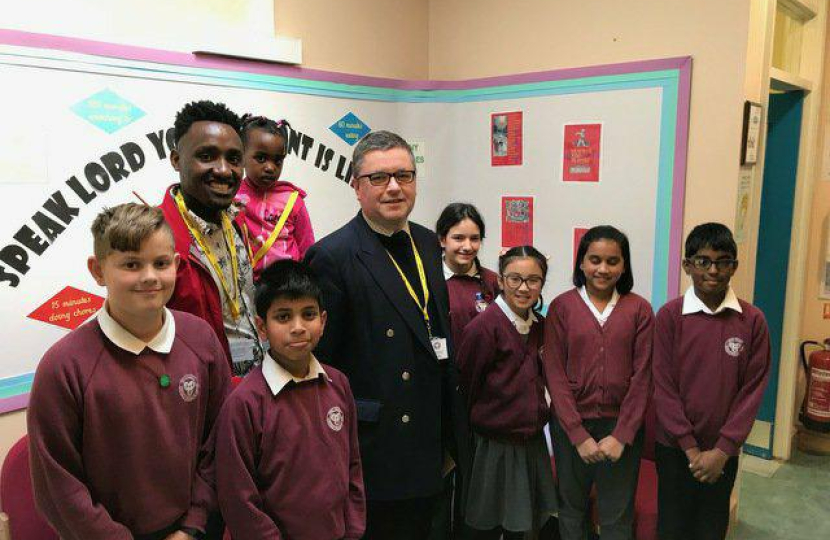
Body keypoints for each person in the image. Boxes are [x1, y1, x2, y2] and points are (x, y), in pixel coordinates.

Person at [28, 203, 231, 540]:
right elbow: (59, 485)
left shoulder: (201, 339)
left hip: (194, 530)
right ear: (98, 270)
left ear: (176, 265)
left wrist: (193, 525)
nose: (150, 276)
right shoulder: (64, 367)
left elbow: (221, 441)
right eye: (132, 264)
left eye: (161, 263)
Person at [305, 130, 460, 540]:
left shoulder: (428, 242)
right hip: (375, 443)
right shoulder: (332, 256)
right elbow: (323, 365)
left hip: (430, 434)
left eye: (404, 176)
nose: (394, 187)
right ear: (356, 187)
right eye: (379, 178)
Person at [215, 260, 365, 540]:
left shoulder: (338, 385)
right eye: (283, 317)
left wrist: (353, 530)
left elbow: (352, 467)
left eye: (308, 314)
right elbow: (238, 496)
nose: (298, 327)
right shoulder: (245, 403)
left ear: (323, 320)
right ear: (262, 326)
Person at [653, 223, 771, 540]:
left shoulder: (753, 320)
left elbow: (752, 391)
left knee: (710, 528)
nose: (714, 270)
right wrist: (691, 449)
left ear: (735, 266)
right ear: (687, 265)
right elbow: (662, 386)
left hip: (723, 453)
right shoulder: (669, 317)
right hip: (675, 449)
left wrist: (722, 450)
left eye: (723, 261)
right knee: (672, 528)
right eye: (703, 261)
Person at [545, 225, 653, 540]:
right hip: (570, 430)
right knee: (571, 510)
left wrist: (622, 435)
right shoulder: (562, 307)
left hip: (620, 431)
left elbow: (643, 376)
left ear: (624, 265)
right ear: (581, 263)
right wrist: (577, 435)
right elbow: (554, 373)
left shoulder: (640, 310)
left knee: (616, 515)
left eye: (612, 261)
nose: (602, 269)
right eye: (594, 260)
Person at [457, 245, 557, 539]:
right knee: (487, 525)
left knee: (524, 524)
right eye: (515, 279)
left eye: (533, 280)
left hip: (531, 441)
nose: (524, 288)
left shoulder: (540, 325)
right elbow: (468, 388)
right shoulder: (484, 328)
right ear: (500, 281)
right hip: (495, 445)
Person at [160, 100, 263, 376]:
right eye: (206, 156)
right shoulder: (156, 237)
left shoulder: (237, 221)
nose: (223, 170)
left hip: (252, 383)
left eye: (233, 158)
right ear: (176, 159)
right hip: (200, 393)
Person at [234, 115, 315, 280]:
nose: (270, 167)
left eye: (278, 161)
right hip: (246, 286)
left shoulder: (292, 199)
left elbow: (308, 248)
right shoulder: (232, 195)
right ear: (242, 156)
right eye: (261, 158)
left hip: (286, 286)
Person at [436, 202, 500, 345]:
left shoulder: (493, 281)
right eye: (458, 238)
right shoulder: (428, 280)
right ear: (442, 239)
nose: (467, 246)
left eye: (474, 239)